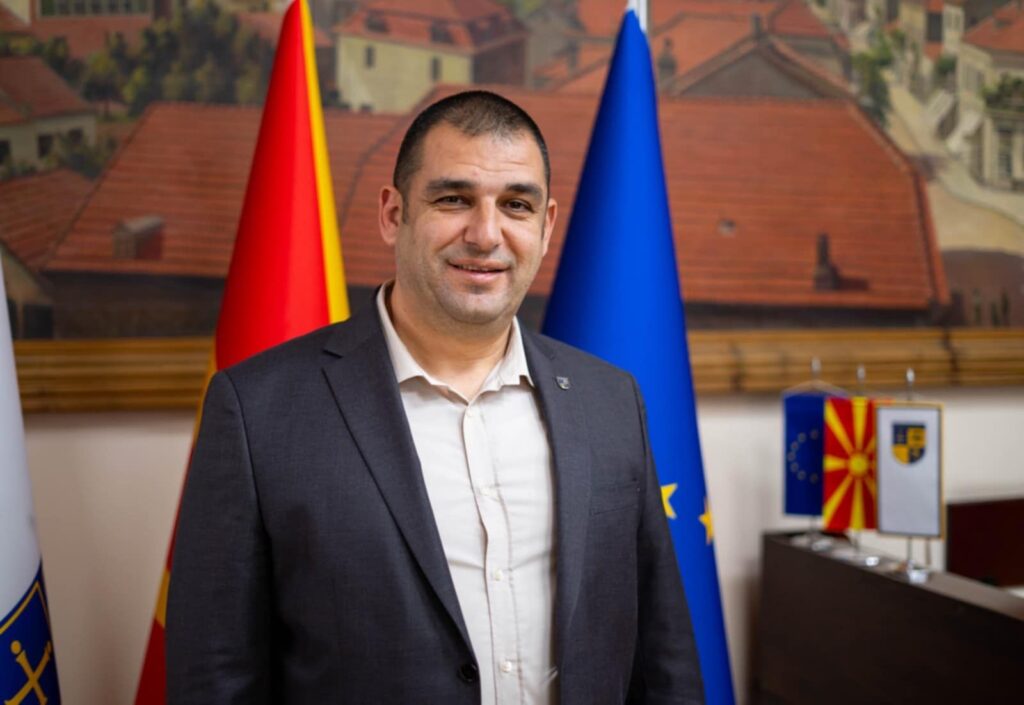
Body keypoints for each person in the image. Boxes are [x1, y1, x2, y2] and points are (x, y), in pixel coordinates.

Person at [166, 90, 703, 705]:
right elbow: (216, 677)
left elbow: (664, 656)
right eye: (454, 199)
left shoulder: (611, 400)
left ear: (547, 226)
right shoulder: (257, 411)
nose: (486, 234)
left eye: (516, 205)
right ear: (393, 213)